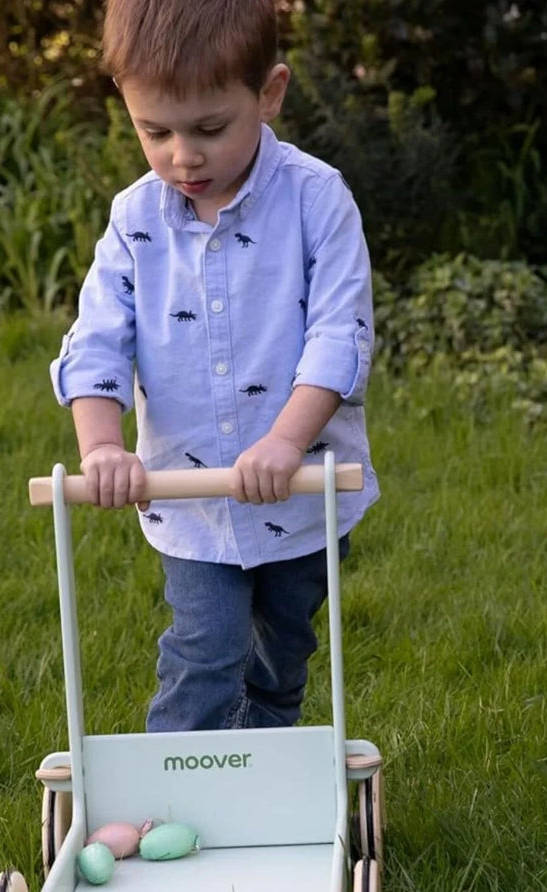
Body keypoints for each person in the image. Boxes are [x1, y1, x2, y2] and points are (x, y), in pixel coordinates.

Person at [50, 0, 379, 732]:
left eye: (208, 129)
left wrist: (286, 442)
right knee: (208, 646)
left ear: (269, 94)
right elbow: (99, 339)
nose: (181, 156)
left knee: (283, 651)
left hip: (300, 488)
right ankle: (173, 785)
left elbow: (338, 335)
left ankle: (266, 778)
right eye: (154, 131)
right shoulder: (136, 221)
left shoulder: (315, 200)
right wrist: (102, 447)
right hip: (191, 498)